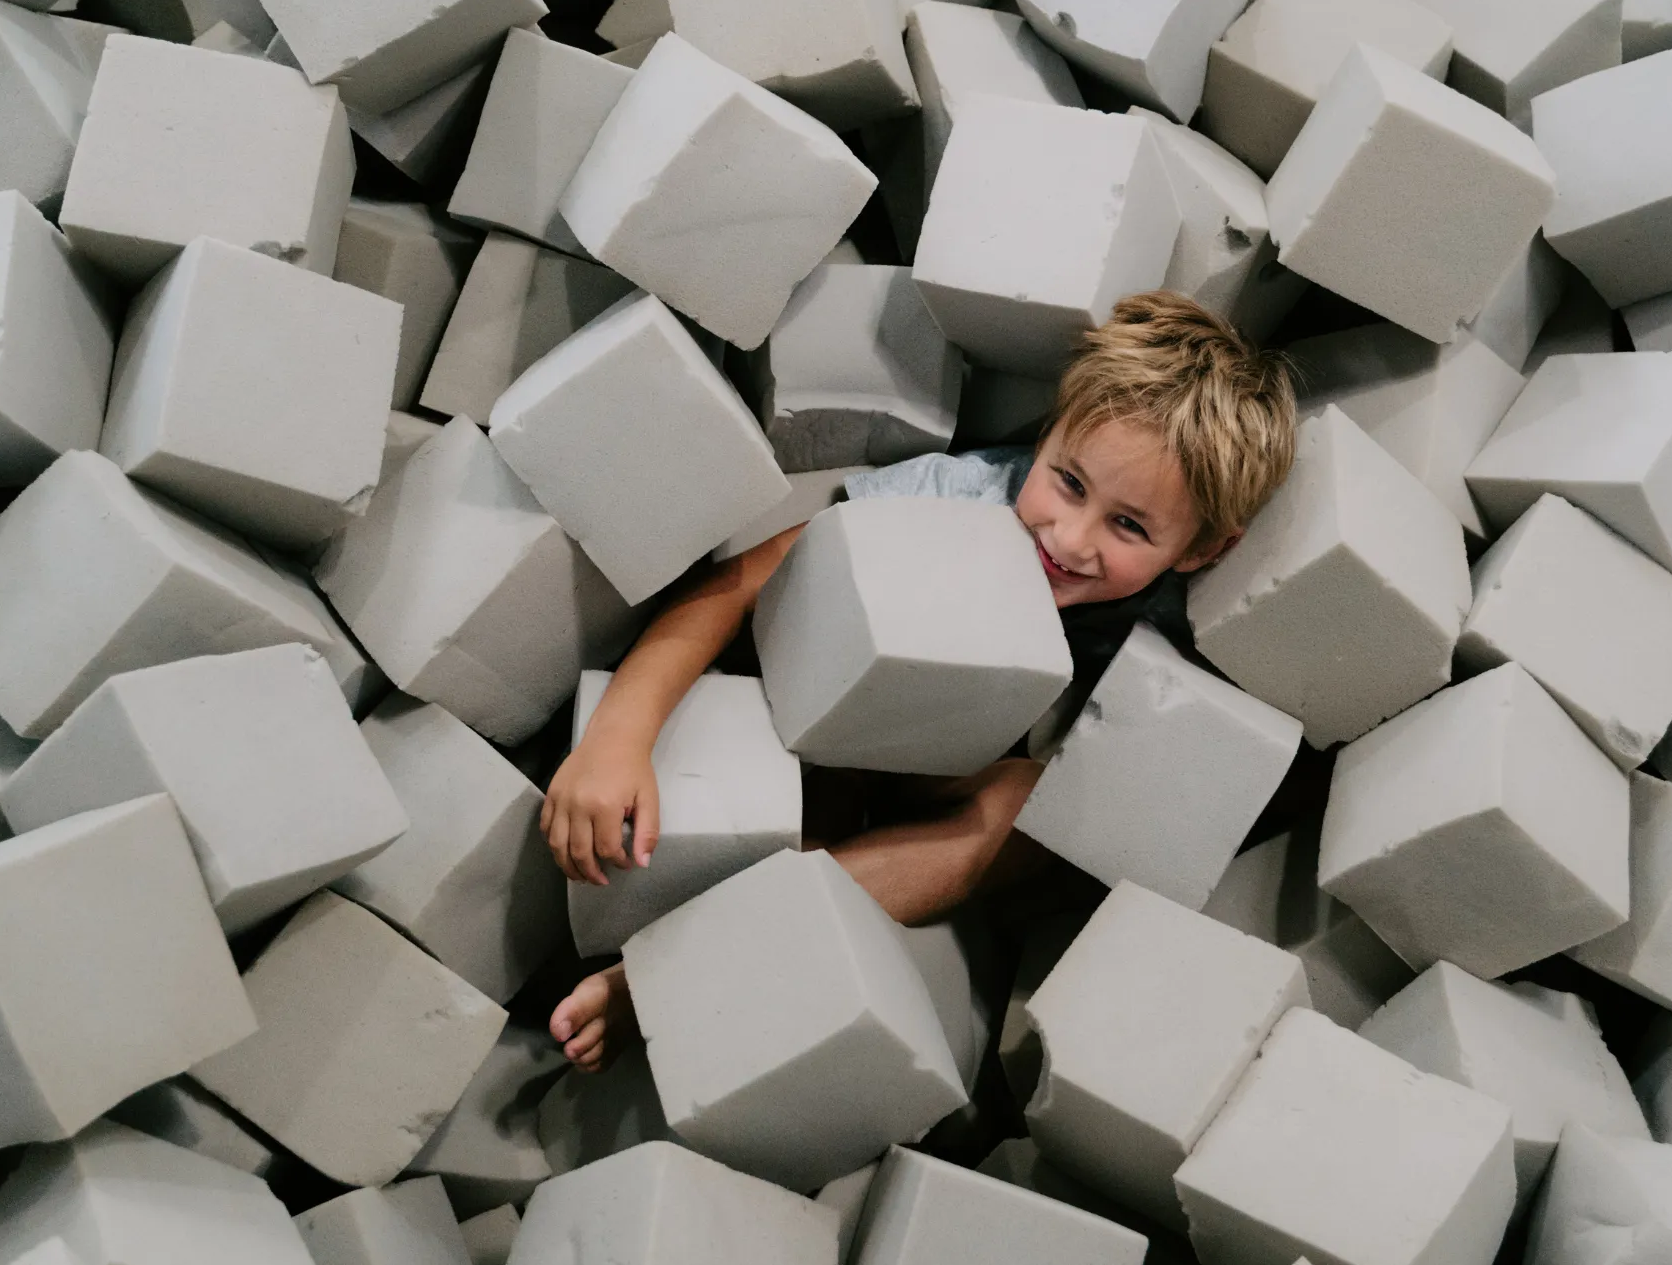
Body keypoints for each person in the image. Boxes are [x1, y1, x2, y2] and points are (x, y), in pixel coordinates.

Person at [540, 290, 1300, 1070]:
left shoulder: (1186, 622)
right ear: (1046, 438)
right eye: (1068, 482)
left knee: (1029, 804)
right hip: (822, 739)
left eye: (1129, 526)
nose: (1070, 540)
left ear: (1202, 550)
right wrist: (617, 739)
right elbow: (740, 585)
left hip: (945, 789)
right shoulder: (954, 502)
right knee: (791, 811)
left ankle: (683, 977)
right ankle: (671, 960)